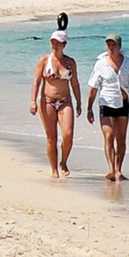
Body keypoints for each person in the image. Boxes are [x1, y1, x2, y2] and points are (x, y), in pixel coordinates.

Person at [83, 34, 129, 184]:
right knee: (109, 135)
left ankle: (118, 170)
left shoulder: (128, 63)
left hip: (123, 103)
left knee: (121, 138)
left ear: (120, 46)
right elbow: (93, 88)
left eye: (114, 45)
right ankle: (111, 169)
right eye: (108, 45)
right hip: (105, 102)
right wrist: (89, 109)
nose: (111, 48)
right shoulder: (100, 64)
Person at [29, 26, 79, 179]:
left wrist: (79, 103)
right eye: (53, 42)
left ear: (64, 44)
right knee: (52, 137)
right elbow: (36, 82)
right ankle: (54, 169)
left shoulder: (70, 62)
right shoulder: (44, 61)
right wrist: (33, 101)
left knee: (68, 134)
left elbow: (75, 84)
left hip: (65, 101)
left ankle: (63, 162)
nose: (54, 45)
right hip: (47, 102)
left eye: (58, 43)